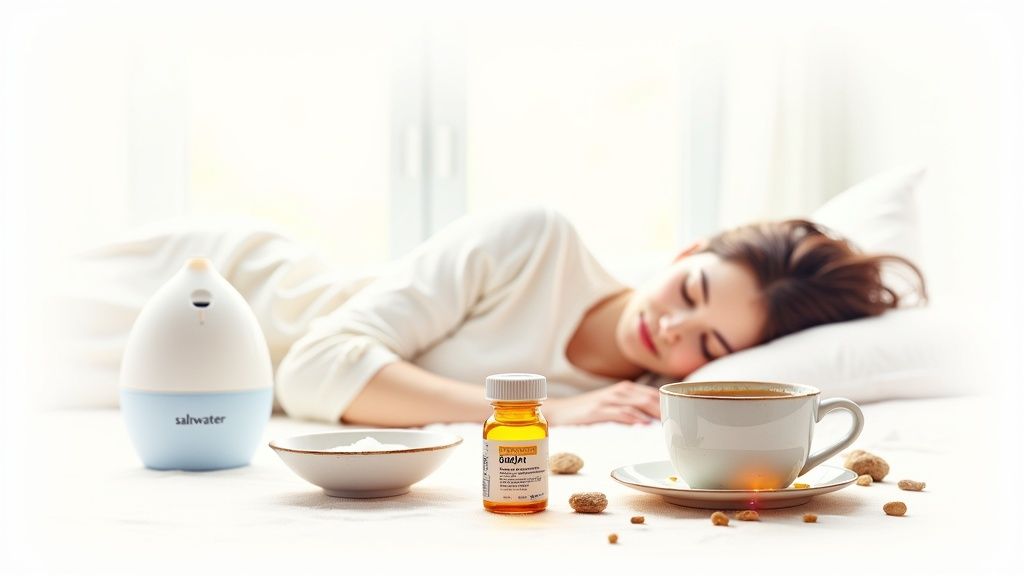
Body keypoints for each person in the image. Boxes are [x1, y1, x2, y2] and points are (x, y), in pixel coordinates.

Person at [69, 205, 924, 427]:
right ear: (684, 253)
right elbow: (317, 369)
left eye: (708, 344)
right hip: (236, 294)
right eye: (689, 294)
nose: (670, 332)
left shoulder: (635, 408)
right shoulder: (537, 243)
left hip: (225, 385)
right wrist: (536, 412)